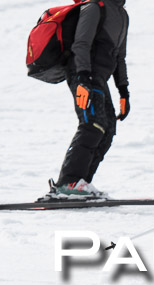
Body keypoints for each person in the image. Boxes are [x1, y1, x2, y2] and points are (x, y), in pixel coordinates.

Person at [41, 0, 130, 201]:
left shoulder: (122, 15)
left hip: (100, 79)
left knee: (107, 130)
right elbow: (81, 44)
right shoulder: (93, 6)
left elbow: (119, 57)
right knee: (92, 125)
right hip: (84, 73)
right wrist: (81, 78)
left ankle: (81, 184)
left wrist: (123, 91)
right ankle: (67, 183)